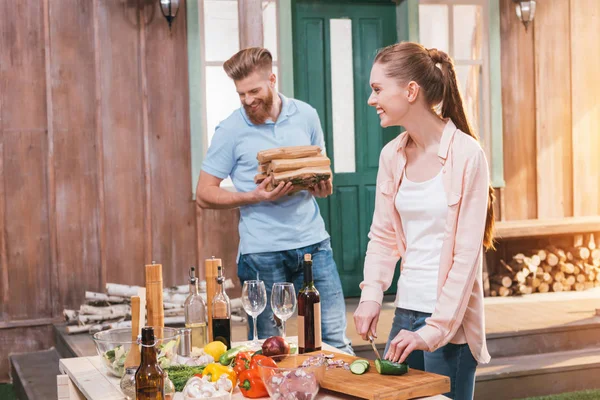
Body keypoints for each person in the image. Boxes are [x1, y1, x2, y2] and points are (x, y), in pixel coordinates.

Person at [353, 42, 495, 399]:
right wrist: (371, 294)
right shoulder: (392, 155)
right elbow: (384, 236)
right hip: (405, 313)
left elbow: (466, 258)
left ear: (411, 90)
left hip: (450, 324)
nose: (372, 99)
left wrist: (432, 332)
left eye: (377, 89)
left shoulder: (467, 156)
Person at [196, 47, 353, 355]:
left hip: (314, 246)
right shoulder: (230, 129)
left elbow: (321, 175)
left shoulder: (306, 115)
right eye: (241, 94)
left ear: (272, 79)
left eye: (254, 91)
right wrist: (253, 196)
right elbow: (204, 193)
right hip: (261, 254)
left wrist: (321, 186)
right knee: (269, 349)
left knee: (334, 341)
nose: (247, 100)